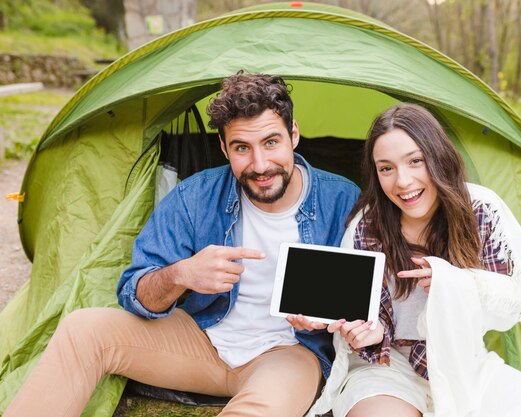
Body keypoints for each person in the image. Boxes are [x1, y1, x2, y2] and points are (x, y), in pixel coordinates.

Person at [4, 71, 360, 417]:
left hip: (288, 353)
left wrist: (328, 319)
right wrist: (182, 274)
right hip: (201, 340)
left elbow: (371, 302)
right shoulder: (195, 195)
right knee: (83, 329)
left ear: (293, 134)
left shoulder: (343, 200)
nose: (260, 164)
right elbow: (135, 292)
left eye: (271, 142)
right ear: (223, 147)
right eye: (241, 148)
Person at [303, 103, 521, 417]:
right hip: (387, 368)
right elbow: (362, 317)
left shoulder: (479, 210)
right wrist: (372, 334)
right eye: (387, 168)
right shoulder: (366, 228)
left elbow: (510, 307)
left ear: (438, 157)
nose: (403, 181)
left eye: (416, 161)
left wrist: (456, 283)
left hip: (462, 364)